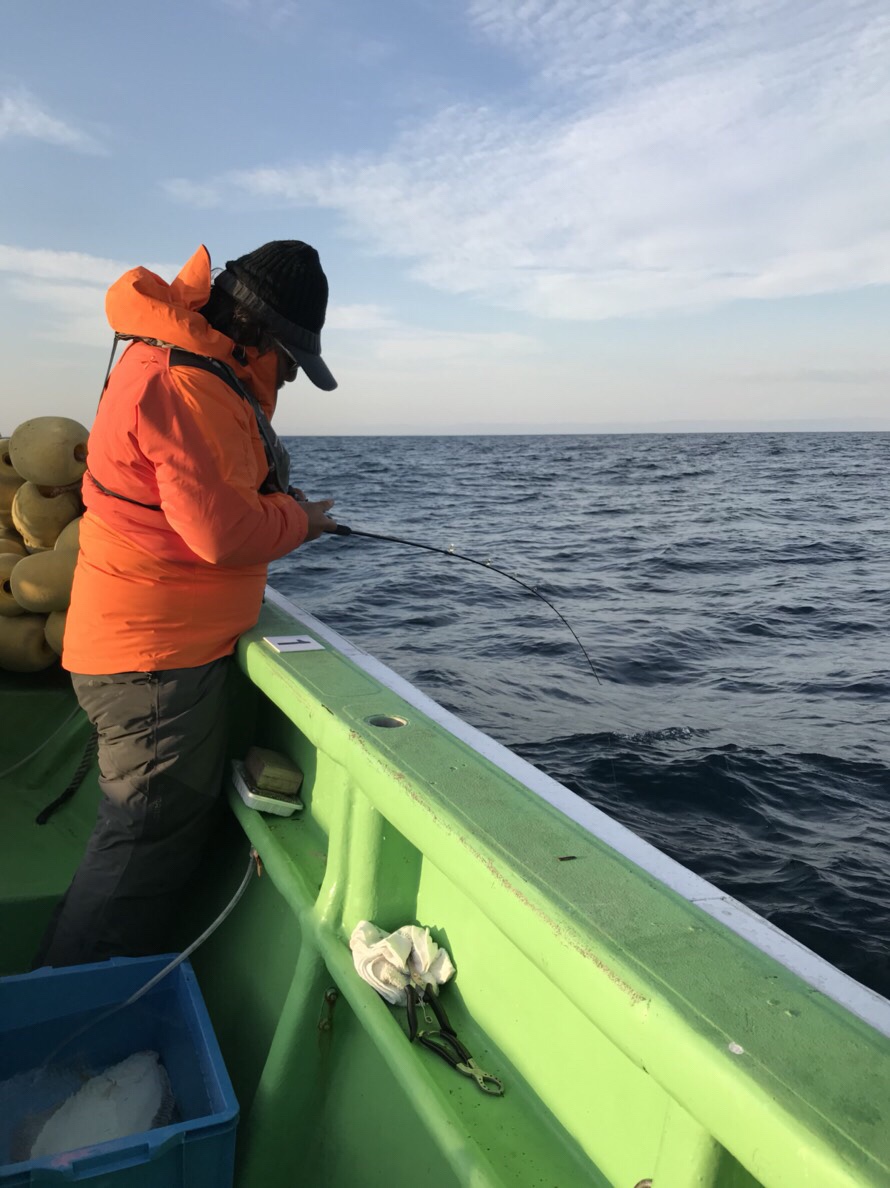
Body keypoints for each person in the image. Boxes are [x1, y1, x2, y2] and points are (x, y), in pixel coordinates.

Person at [34, 240, 338, 967]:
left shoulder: (181, 364)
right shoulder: (187, 384)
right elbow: (220, 532)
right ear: (256, 333)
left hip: (144, 646)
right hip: (151, 662)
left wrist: (274, 505)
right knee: (138, 849)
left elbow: (199, 498)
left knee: (141, 839)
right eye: (289, 361)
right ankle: (71, 1011)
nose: (287, 377)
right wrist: (301, 521)